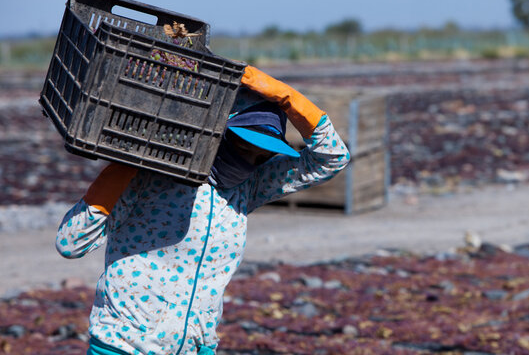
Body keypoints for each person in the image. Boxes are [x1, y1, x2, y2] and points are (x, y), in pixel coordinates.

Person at [56, 65, 350, 355]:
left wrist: (289, 99)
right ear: (216, 133)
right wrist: (126, 165)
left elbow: (332, 158)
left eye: (263, 154)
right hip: (124, 346)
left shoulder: (247, 187)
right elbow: (71, 242)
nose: (250, 159)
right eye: (242, 145)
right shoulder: (151, 176)